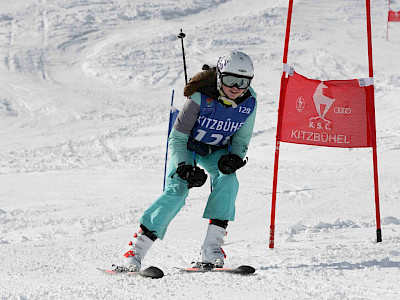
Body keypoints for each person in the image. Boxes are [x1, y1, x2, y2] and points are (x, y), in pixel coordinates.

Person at [121, 50, 257, 271]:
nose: (236, 87)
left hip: (216, 150)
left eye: (243, 82)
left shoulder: (249, 102)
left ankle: (212, 247)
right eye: (231, 79)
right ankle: (135, 251)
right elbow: (177, 137)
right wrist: (184, 167)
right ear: (220, 76)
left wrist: (234, 158)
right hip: (188, 148)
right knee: (177, 190)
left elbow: (242, 139)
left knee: (228, 179)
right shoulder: (199, 98)